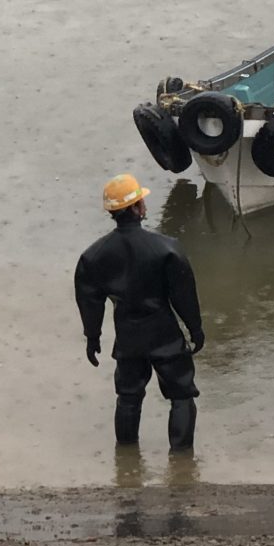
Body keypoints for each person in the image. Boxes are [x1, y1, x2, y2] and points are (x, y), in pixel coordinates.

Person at [74, 174, 205, 452]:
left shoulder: (94, 256)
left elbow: (89, 301)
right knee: (181, 395)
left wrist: (93, 337)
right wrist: (195, 329)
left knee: (128, 396)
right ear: (137, 208)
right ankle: (181, 462)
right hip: (164, 335)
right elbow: (184, 296)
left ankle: (126, 459)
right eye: (141, 201)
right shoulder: (167, 248)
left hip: (128, 338)